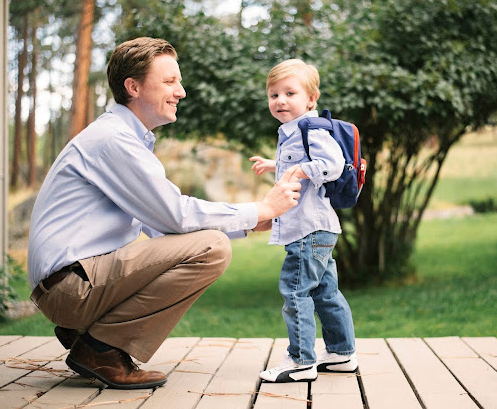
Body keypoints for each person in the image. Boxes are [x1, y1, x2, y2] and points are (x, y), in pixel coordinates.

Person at [27, 37, 302, 390]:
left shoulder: (122, 138)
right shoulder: (113, 140)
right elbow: (176, 215)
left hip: (73, 283)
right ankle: (100, 349)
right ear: (134, 87)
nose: (181, 92)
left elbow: (160, 228)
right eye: (170, 81)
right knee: (213, 249)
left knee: (212, 243)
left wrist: (249, 224)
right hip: (71, 287)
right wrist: (260, 209)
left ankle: (91, 335)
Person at [250, 59, 357, 383]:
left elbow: (333, 164)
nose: (280, 100)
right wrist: (274, 164)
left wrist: (300, 170)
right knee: (326, 292)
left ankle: (300, 361)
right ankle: (341, 353)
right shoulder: (295, 131)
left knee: (296, 292)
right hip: (318, 228)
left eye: (289, 93)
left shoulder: (312, 129)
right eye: (273, 95)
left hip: (308, 229)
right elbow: (300, 160)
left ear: (311, 99)